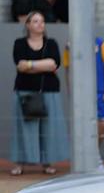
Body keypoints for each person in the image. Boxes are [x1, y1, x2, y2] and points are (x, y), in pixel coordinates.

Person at [10, 11, 69, 176]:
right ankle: (20, 163)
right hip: (25, 92)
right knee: (24, 129)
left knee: (48, 128)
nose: (40, 24)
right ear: (28, 25)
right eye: (35, 21)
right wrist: (40, 64)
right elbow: (20, 65)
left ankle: (47, 163)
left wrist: (30, 65)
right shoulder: (19, 43)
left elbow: (53, 64)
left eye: (42, 21)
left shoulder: (51, 43)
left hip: (49, 91)